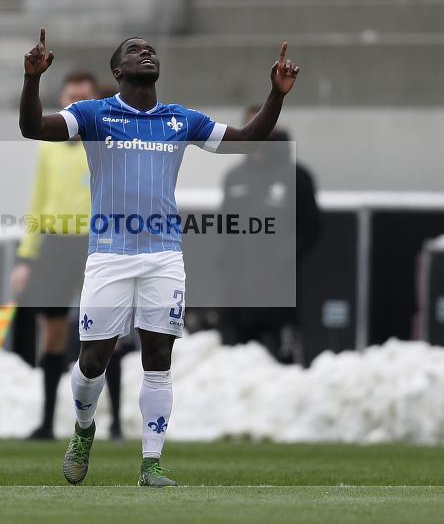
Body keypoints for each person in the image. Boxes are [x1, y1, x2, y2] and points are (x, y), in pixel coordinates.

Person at [19, 29, 300, 486]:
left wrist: (276, 94)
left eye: (149, 49)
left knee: (158, 356)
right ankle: (83, 430)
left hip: (163, 256)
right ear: (118, 70)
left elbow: (247, 139)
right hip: (109, 254)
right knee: (93, 361)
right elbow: (33, 128)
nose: (145, 51)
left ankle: (151, 463)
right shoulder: (93, 114)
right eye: (133, 50)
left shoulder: (179, 120)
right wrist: (31, 80)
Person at [12, 71, 124, 441]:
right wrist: (26, 258)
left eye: (82, 98)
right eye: (70, 98)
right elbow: (37, 202)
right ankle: (46, 422)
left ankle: (116, 423)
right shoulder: (48, 145)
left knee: (109, 335)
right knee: (54, 333)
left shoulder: (108, 141)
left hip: (98, 244)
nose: (75, 104)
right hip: (56, 245)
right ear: (62, 101)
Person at [218, 114, 321, 363]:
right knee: (239, 365)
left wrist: (286, 254)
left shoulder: (296, 176)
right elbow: (224, 225)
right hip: (240, 292)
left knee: (283, 365)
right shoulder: (236, 177)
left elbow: (312, 227)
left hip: (281, 291)